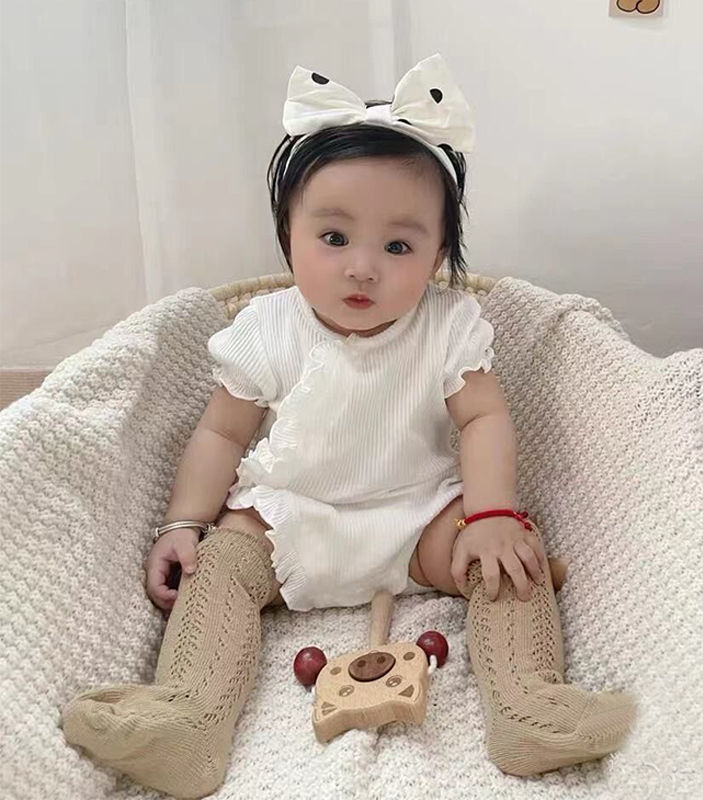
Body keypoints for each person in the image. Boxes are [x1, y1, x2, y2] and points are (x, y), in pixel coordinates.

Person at [60, 54, 636, 798]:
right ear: (288, 234)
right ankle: (188, 718)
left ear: (438, 255)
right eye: (334, 238)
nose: (363, 268)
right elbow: (221, 436)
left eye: (398, 247)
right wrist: (183, 522)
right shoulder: (267, 327)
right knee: (218, 567)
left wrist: (492, 513)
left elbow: (484, 417)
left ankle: (529, 705)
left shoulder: (448, 325)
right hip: (289, 518)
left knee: (510, 557)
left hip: (420, 518)